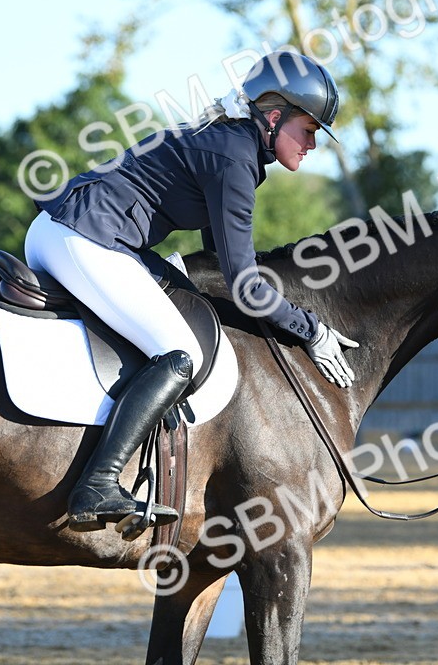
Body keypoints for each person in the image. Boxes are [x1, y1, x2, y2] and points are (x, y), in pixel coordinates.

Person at [24, 51, 359, 533]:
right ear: (272, 116)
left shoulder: (229, 143)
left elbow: (220, 265)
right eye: (308, 130)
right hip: (83, 237)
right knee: (178, 351)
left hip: (72, 231)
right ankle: (97, 482)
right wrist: (313, 330)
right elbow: (244, 285)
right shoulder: (233, 156)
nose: (312, 144)